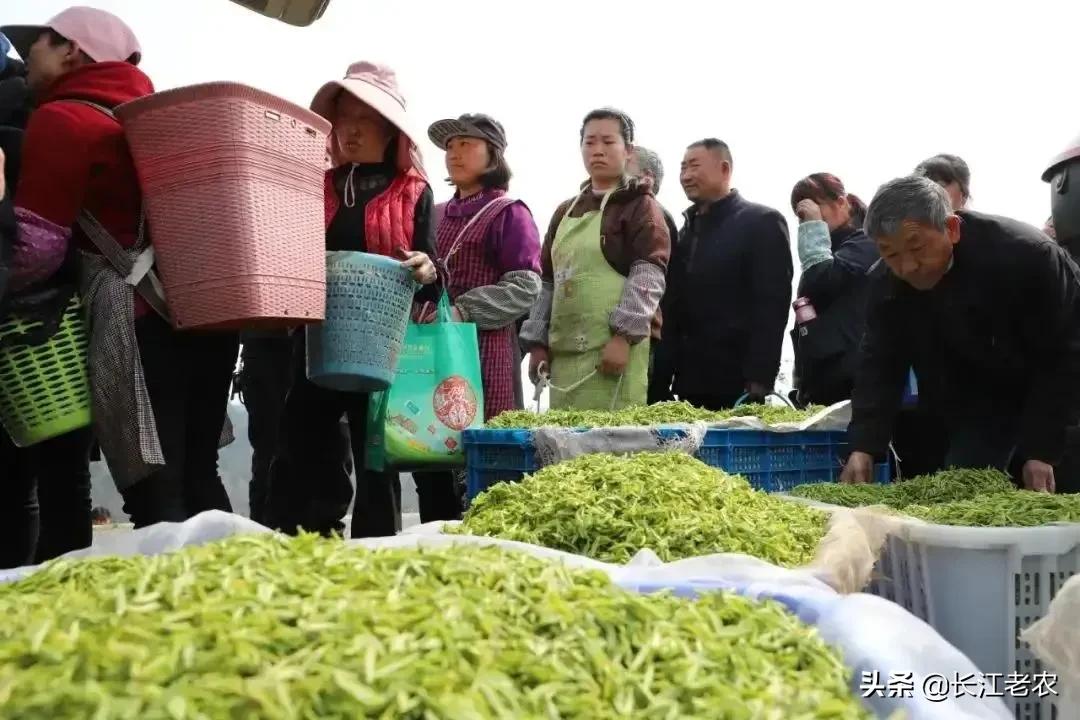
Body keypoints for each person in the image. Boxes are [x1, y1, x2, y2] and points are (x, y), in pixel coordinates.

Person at [266, 61, 438, 539]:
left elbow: (434, 275)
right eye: (343, 118)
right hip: (318, 337)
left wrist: (426, 267)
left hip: (381, 343)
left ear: (390, 130)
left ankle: (376, 546)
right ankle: (309, 536)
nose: (351, 131)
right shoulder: (315, 185)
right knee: (302, 435)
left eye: (365, 120)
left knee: (375, 450)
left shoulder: (413, 192)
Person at [840, 175, 1080, 492]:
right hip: (979, 397)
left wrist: (1042, 450)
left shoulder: (1028, 257)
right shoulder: (886, 286)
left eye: (916, 247)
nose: (908, 266)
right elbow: (879, 366)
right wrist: (865, 446)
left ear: (951, 229)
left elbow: (1063, 353)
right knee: (965, 484)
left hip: (1055, 384)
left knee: (1058, 481)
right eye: (891, 254)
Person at [412, 113, 542, 515]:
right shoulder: (433, 214)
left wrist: (463, 310)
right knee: (428, 451)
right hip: (431, 353)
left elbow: (526, 286)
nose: (454, 153)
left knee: (487, 460)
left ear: (493, 154)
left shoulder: (509, 212)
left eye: (466, 143)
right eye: (449, 147)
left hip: (486, 354)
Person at [520, 108, 670, 411]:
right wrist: (537, 343)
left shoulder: (640, 206)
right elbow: (547, 282)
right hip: (564, 356)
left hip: (614, 353)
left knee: (615, 445)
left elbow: (648, 275)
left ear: (627, 150)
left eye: (607, 142)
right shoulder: (565, 211)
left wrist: (623, 338)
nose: (597, 150)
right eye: (589, 142)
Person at [649, 138, 792, 410]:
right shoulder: (686, 233)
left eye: (694, 166)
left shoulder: (761, 222)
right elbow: (673, 308)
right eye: (682, 168)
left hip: (738, 381)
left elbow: (772, 305)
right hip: (688, 382)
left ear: (724, 169)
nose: (686, 176)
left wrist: (760, 376)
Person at [789, 173, 878, 407]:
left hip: (854, 383)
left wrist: (812, 229)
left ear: (842, 203)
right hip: (822, 384)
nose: (808, 220)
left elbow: (821, 278)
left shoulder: (866, 244)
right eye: (802, 216)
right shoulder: (823, 254)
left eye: (815, 208)